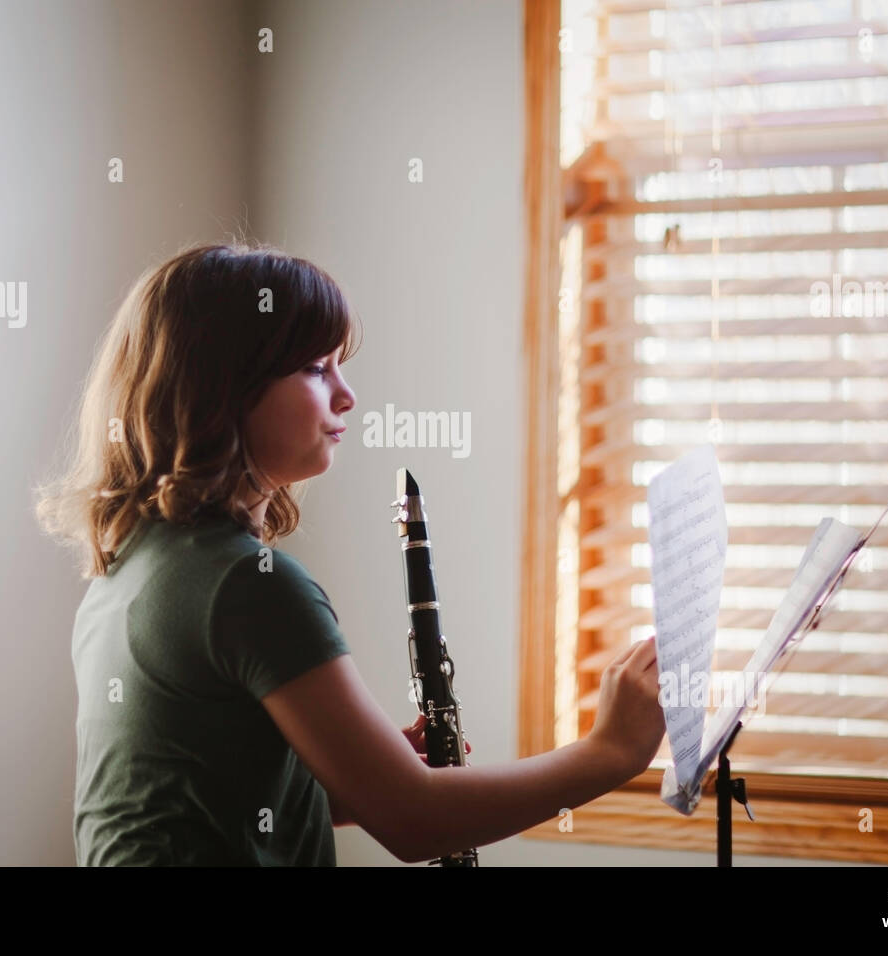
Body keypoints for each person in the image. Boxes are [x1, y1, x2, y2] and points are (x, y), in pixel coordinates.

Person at [34, 240, 665, 866]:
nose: (347, 395)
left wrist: (358, 774)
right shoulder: (248, 585)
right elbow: (417, 823)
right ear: (223, 386)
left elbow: (200, 798)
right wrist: (609, 751)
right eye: (315, 367)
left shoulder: (134, 565)